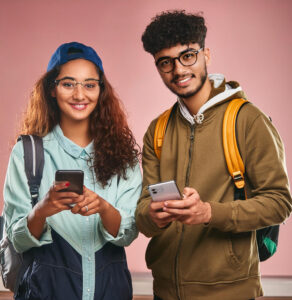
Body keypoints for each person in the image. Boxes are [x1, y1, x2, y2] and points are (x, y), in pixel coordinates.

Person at [135, 10, 292, 300]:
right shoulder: (156, 130)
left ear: (206, 54)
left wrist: (209, 213)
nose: (178, 70)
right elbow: (143, 214)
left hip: (229, 292)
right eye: (165, 62)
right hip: (164, 291)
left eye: (188, 56)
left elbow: (279, 203)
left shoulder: (248, 120)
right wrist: (152, 215)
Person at [3, 41, 142, 300]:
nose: (80, 95)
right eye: (68, 84)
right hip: (45, 291)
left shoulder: (125, 157)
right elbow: (17, 239)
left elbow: (128, 232)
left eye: (90, 84)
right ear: (52, 89)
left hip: (112, 290)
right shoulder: (27, 153)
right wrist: (42, 210)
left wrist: (103, 207)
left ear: (101, 90)